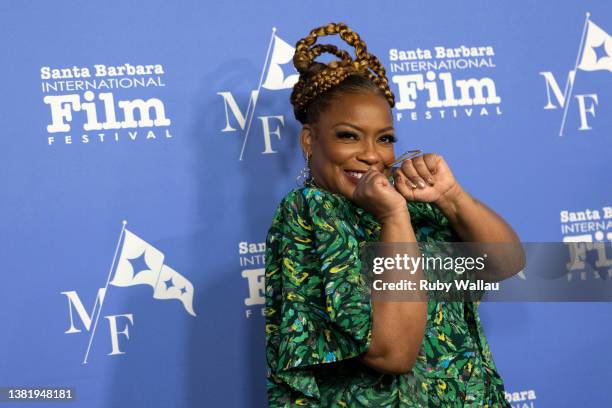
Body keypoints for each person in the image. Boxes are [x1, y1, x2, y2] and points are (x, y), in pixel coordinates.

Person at [264, 22, 524, 407]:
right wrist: (394, 218)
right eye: (348, 136)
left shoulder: (410, 202)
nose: (372, 154)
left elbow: (506, 263)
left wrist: (450, 197)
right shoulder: (309, 212)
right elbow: (393, 354)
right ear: (309, 140)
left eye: (384, 138)